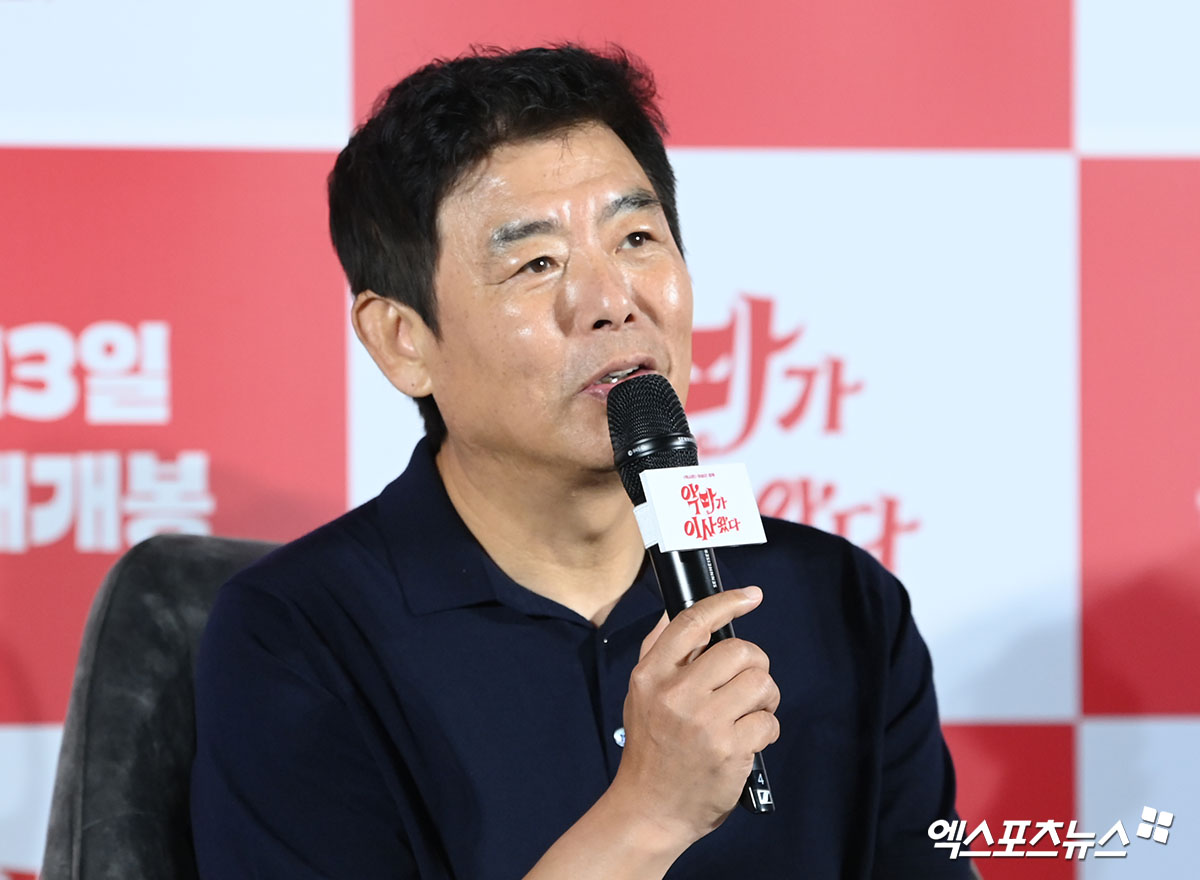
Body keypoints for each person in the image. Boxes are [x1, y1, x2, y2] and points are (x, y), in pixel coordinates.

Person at [190, 45, 970, 879]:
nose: (611, 302)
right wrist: (649, 817)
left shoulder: (838, 600)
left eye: (636, 238)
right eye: (537, 263)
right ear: (403, 340)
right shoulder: (297, 636)